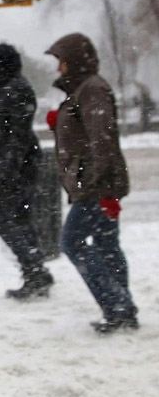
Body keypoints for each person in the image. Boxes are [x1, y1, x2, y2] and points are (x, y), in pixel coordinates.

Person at [45, 33, 138, 334]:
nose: (58, 68)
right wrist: (58, 122)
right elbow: (86, 130)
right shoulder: (85, 90)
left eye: (61, 61)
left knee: (71, 242)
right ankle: (123, 310)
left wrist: (103, 188)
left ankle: (118, 306)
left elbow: (102, 139)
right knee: (107, 245)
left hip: (95, 185)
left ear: (72, 61)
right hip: (97, 182)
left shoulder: (92, 89)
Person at [0, 44, 54, 300]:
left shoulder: (15, 91)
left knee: (0, 219)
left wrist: (5, 172)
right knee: (21, 221)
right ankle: (36, 272)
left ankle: (35, 270)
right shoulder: (9, 90)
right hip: (16, 168)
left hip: (16, 171)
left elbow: (16, 138)